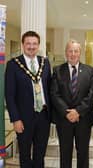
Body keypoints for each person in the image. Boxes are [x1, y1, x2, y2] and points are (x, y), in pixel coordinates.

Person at [5, 31, 51, 168]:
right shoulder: (13, 64)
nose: (31, 46)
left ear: (38, 45)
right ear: (23, 44)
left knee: (40, 154)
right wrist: (15, 119)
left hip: (43, 116)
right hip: (23, 119)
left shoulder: (45, 63)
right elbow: (9, 95)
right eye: (28, 43)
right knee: (24, 155)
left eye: (34, 43)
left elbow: (50, 89)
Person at [50, 39, 93, 168]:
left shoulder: (90, 71)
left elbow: (92, 94)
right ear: (66, 52)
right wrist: (67, 112)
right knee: (65, 152)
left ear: (80, 53)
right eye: (70, 51)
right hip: (64, 119)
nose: (73, 54)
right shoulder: (57, 70)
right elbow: (54, 94)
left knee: (83, 152)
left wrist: (78, 112)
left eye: (76, 51)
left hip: (83, 119)